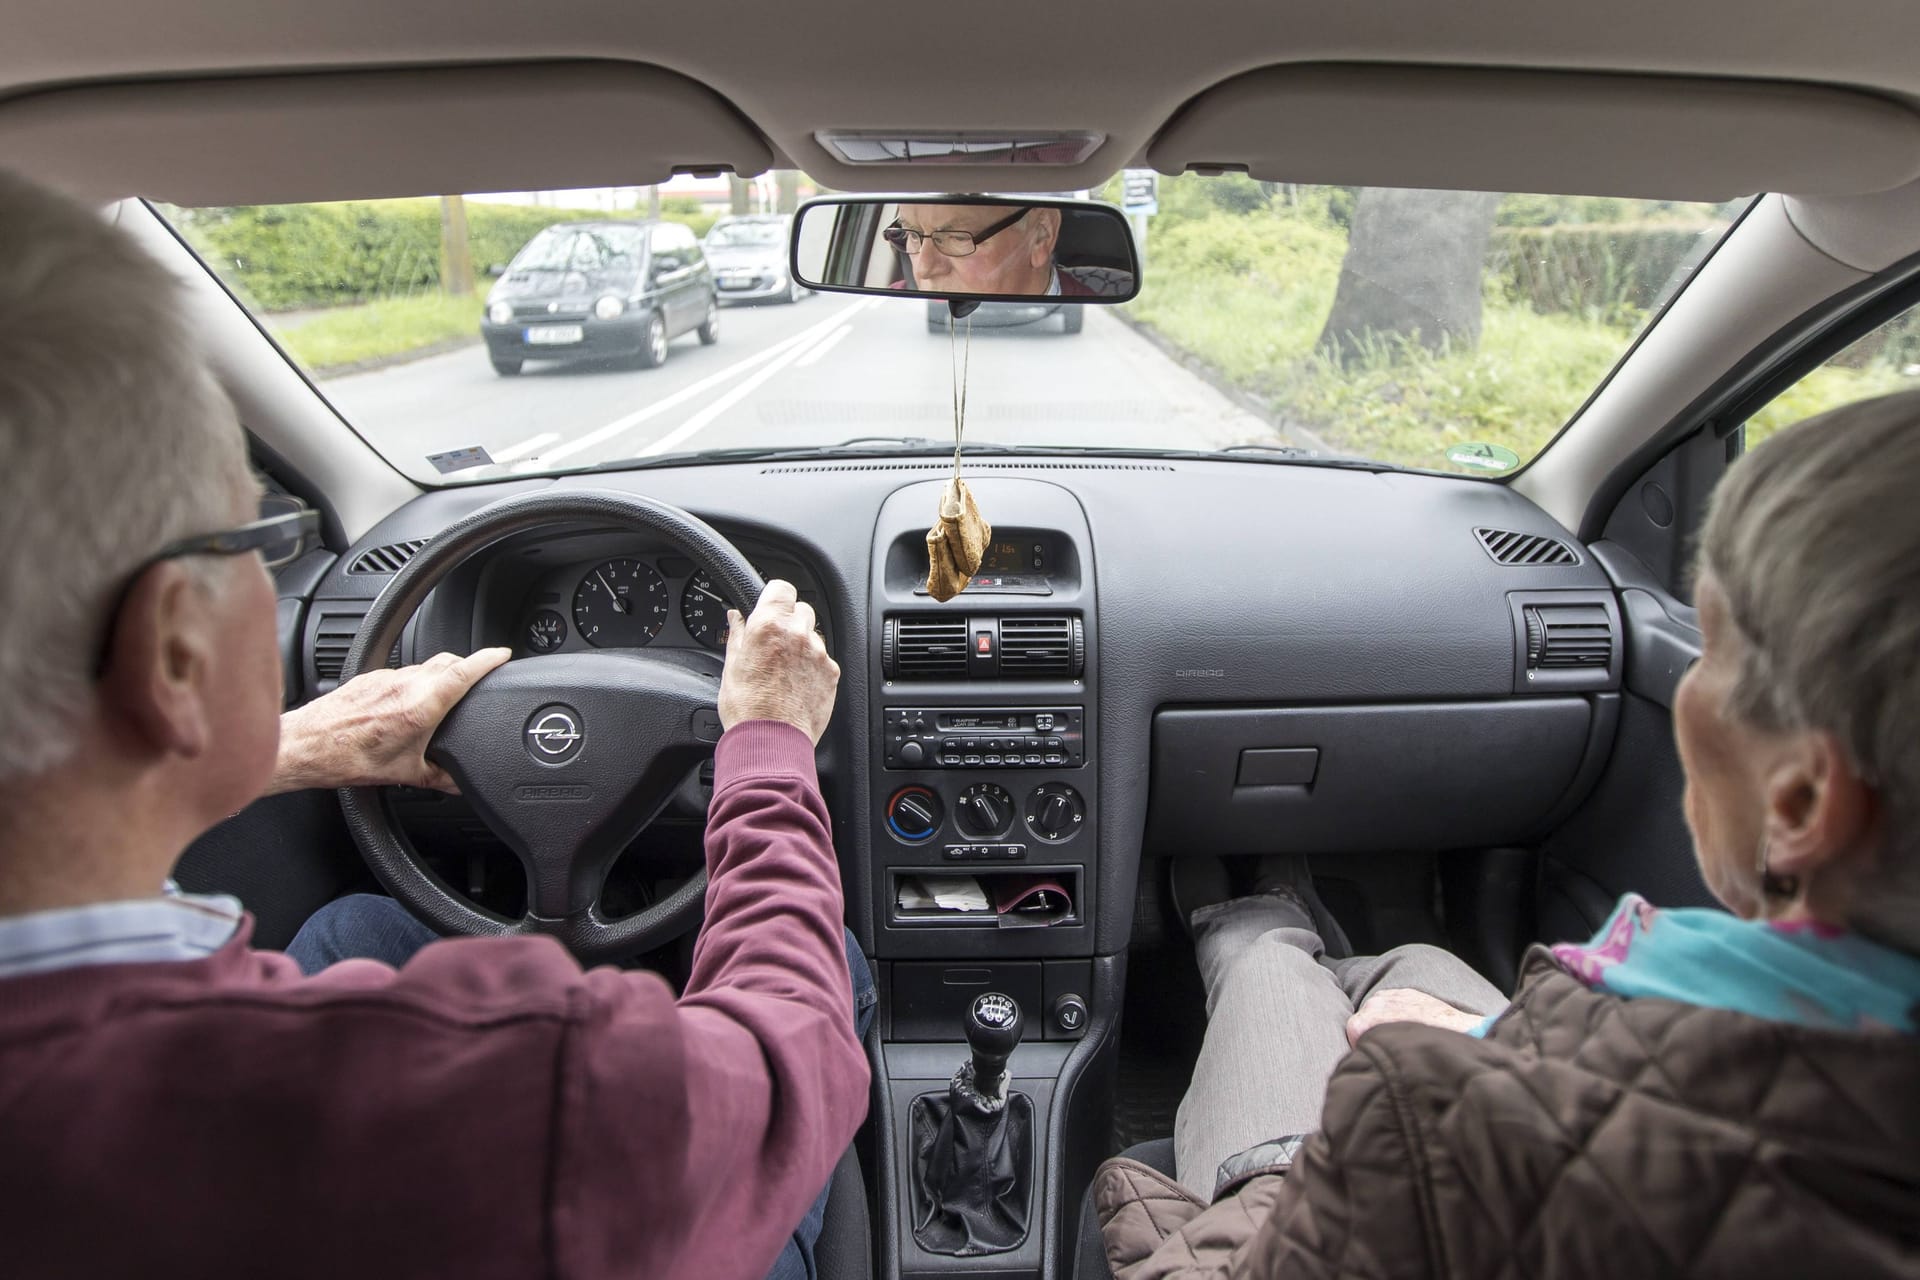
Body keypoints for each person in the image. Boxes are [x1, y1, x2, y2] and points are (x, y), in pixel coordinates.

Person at [0, 168, 869, 1279]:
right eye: (259, 540)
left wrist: (302, 744)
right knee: (828, 963)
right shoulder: (511, 1098)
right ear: (173, 646)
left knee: (356, 928)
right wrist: (768, 745)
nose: (276, 567)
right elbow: (787, 1058)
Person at [1096, 391, 1920, 1278]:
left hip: (1324, 1209)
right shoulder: (1609, 1035)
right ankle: (1274, 914)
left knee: (1270, 969)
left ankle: (1252, 921)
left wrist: (1166, 1214)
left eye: (1711, 651)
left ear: (1800, 802)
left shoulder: (1430, 1123)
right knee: (1405, 962)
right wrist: (1497, 1036)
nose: (1688, 678)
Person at [886, 202, 1131, 297]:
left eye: (957, 237)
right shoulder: (890, 311)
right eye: (912, 234)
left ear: (1041, 236)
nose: (924, 268)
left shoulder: (1096, 338)